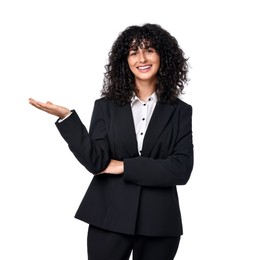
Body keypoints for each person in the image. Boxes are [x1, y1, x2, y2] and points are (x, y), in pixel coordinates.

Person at [29, 23, 194, 260]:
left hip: (160, 221)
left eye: (149, 50)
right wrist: (67, 118)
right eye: (133, 52)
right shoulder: (105, 106)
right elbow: (97, 162)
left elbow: (181, 169)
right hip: (108, 215)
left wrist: (124, 165)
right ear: (124, 61)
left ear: (162, 56)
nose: (142, 58)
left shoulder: (180, 111)